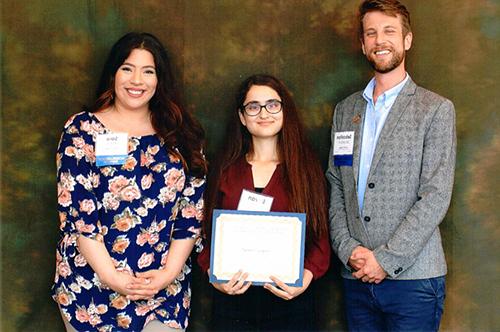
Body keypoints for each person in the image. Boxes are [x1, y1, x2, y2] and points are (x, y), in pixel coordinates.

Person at [52, 32, 207, 331]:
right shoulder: (82, 130)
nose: (137, 80)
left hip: (161, 290)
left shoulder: (183, 134)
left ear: (159, 79)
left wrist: (166, 275)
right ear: (113, 73)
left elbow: (191, 214)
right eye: (127, 68)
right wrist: (112, 277)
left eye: (148, 71)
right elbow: (79, 216)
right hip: (91, 289)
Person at [327, 1, 456, 331]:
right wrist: (348, 249)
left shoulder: (435, 110)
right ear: (362, 44)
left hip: (413, 281)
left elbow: (435, 197)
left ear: (407, 40)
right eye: (371, 33)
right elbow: (336, 185)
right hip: (355, 276)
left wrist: (384, 260)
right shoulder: (345, 110)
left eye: (389, 31)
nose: (379, 40)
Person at [197, 74, 331, 331]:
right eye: (253, 106)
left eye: (272, 104)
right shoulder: (224, 170)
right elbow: (204, 232)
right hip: (232, 301)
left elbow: (321, 234)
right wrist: (214, 275)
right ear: (242, 117)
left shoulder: (306, 171)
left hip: (290, 301)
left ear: (284, 111)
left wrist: (306, 277)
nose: (263, 113)